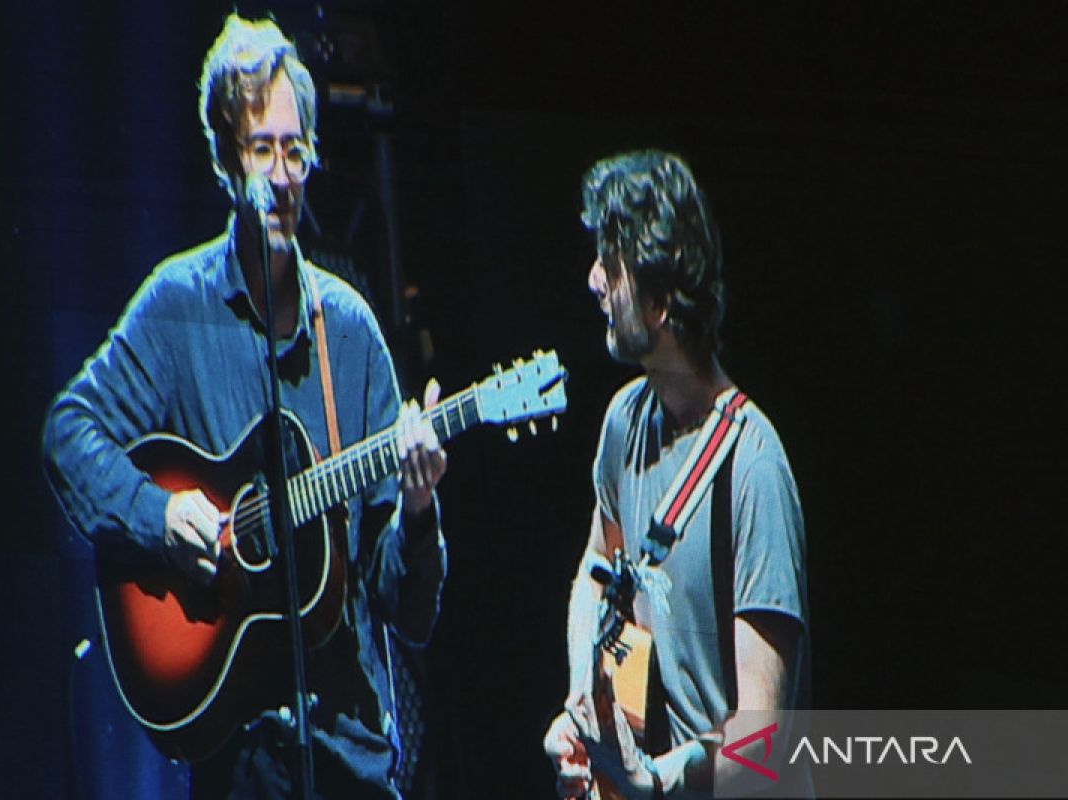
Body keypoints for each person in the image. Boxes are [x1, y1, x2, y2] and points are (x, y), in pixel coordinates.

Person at [42, 14, 447, 799]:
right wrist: (155, 516)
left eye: (296, 150)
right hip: (235, 757)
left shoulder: (351, 332)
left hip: (351, 758)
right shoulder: (177, 306)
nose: (284, 175)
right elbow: (68, 435)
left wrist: (421, 510)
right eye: (263, 150)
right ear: (229, 162)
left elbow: (411, 607)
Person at [542, 151, 810, 798]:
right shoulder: (623, 424)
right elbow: (596, 570)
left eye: (611, 264)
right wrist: (587, 709)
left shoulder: (753, 468)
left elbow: (761, 743)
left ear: (660, 299)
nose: (593, 281)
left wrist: (651, 780)